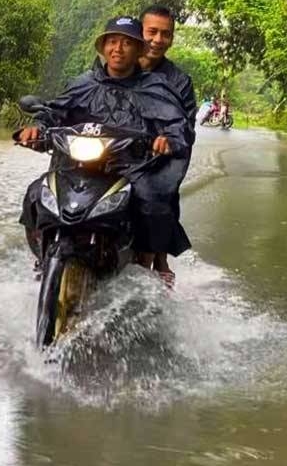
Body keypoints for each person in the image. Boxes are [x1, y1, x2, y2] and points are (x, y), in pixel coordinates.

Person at [17, 16, 191, 285]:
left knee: (153, 203)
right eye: (112, 42)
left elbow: (176, 124)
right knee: (36, 193)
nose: (118, 49)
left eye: (126, 43)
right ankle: (43, 258)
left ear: (138, 50)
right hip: (79, 164)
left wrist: (167, 139)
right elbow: (55, 112)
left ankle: (145, 270)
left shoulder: (156, 87)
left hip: (131, 168)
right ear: (102, 47)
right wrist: (37, 128)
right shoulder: (83, 82)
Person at [137, 5, 196, 279]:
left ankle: (156, 260)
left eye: (166, 34)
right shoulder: (118, 65)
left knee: (159, 196)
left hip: (154, 158)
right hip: (112, 152)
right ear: (140, 31)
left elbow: (186, 128)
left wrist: (169, 139)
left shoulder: (179, 81)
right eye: (152, 32)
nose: (158, 40)